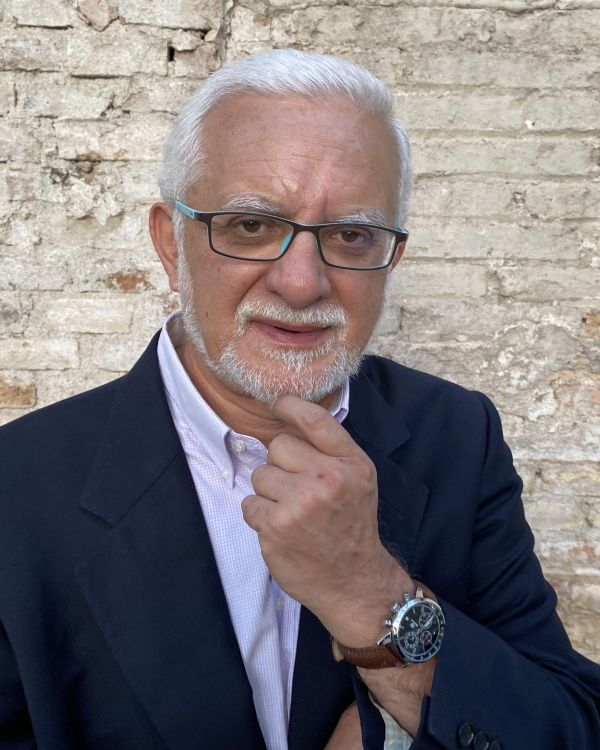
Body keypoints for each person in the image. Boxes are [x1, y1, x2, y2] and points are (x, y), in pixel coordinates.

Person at [0, 49, 598, 750]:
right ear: (171, 243)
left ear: (390, 259)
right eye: (251, 227)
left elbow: (569, 725)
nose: (301, 282)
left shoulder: (458, 435)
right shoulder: (19, 485)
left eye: (351, 235)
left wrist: (373, 596)